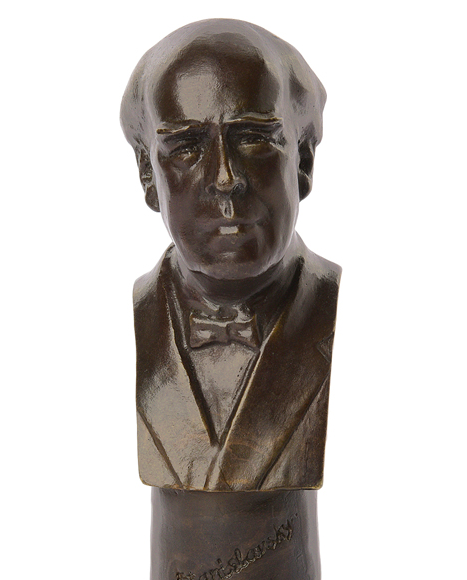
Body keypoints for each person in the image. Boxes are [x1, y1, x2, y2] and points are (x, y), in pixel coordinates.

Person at [121, 19, 341, 491]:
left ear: (303, 160)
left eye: (253, 138)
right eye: (186, 147)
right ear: (147, 175)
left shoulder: (345, 313)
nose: (224, 178)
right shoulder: (126, 322)